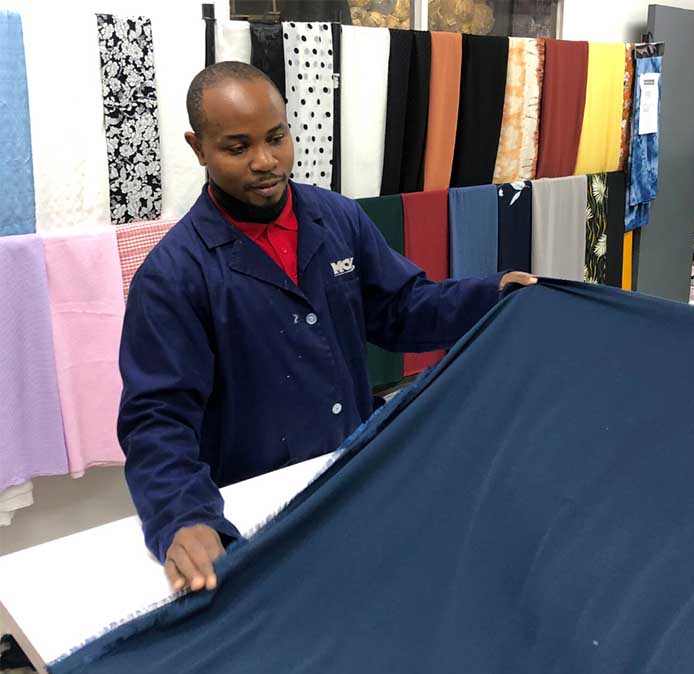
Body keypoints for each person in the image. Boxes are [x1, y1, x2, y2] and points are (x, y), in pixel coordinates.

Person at [118, 61, 536, 594]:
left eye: (276, 137)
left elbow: (402, 307)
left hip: (361, 473)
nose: (265, 162)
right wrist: (182, 516)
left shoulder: (338, 219)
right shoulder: (174, 275)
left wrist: (492, 297)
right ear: (198, 148)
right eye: (237, 147)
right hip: (263, 506)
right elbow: (157, 417)